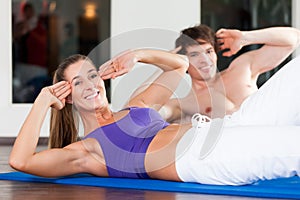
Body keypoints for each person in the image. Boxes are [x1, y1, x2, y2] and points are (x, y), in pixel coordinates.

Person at [9, 48, 300, 186]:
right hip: (206, 156)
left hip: (226, 128)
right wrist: (42, 102)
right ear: (67, 96)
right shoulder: (87, 151)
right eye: (78, 82)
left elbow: (178, 66)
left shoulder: (136, 105)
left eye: (92, 75)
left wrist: (139, 55)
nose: (91, 85)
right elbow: (21, 161)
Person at [161, 25, 300, 122]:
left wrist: (246, 37)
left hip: (269, 123)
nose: (205, 60)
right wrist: (168, 64)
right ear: (184, 61)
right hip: (240, 142)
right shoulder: (184, 104)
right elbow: (148, 112)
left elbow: (293, 39)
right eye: (195, 54)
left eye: (209, 52)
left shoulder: (241, 69)